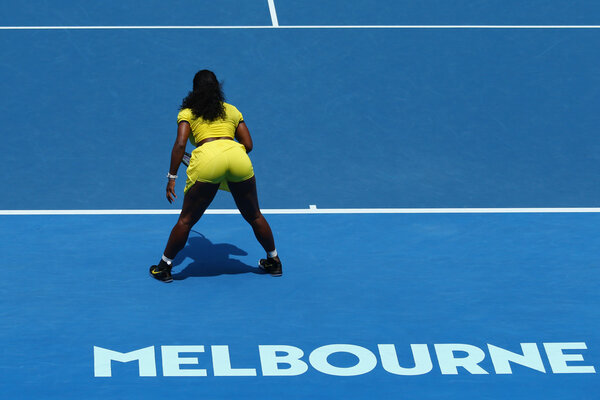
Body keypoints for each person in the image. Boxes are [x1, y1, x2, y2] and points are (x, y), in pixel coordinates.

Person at [150, 70, 282, 282]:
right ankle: (274, 261)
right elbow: (248, 145)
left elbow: (180, 144)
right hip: (238, 159)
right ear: (217, 89)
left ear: (194, 90)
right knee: (254, 215)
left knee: (185, 221)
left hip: (207, 162)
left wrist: (171, 177)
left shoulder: (188, 113)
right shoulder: (231, 110)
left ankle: (164, 267)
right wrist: (228, 159)